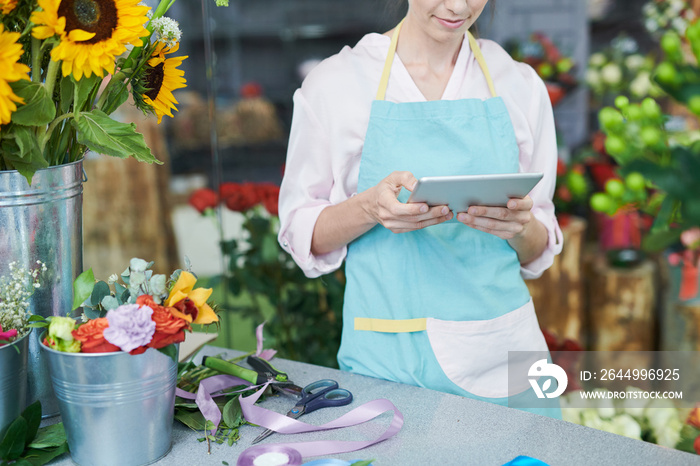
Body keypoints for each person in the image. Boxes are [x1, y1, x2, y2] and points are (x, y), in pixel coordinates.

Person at [277, 0, 564, 417]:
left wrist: (519, 226)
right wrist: (370, 208)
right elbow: (302, 232)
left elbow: (538, 249)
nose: (458, 6)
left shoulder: (518, 85)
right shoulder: (338, 85)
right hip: (392, 359)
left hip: (507, 350)